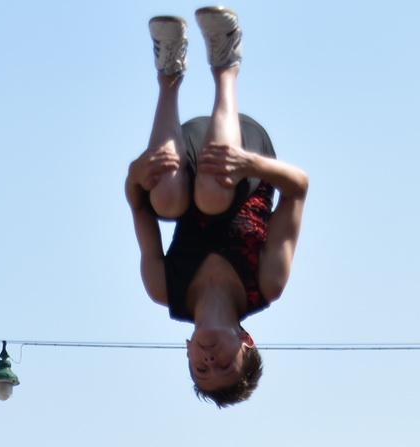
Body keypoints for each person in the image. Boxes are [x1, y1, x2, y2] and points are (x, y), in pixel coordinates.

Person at [126, 8, 309, 407]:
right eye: (224, 365)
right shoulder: (266, 283)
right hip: (244, 152)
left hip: (184, 152)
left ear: (187, 351)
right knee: (212, 193)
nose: (210, 359)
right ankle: (226, 63)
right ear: (246, 342)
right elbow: (297, 187)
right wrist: (252, 164)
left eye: (201, 368)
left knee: (166, 199)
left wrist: (136, 172)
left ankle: (168, 72)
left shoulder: (163, 289)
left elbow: (137, 204)